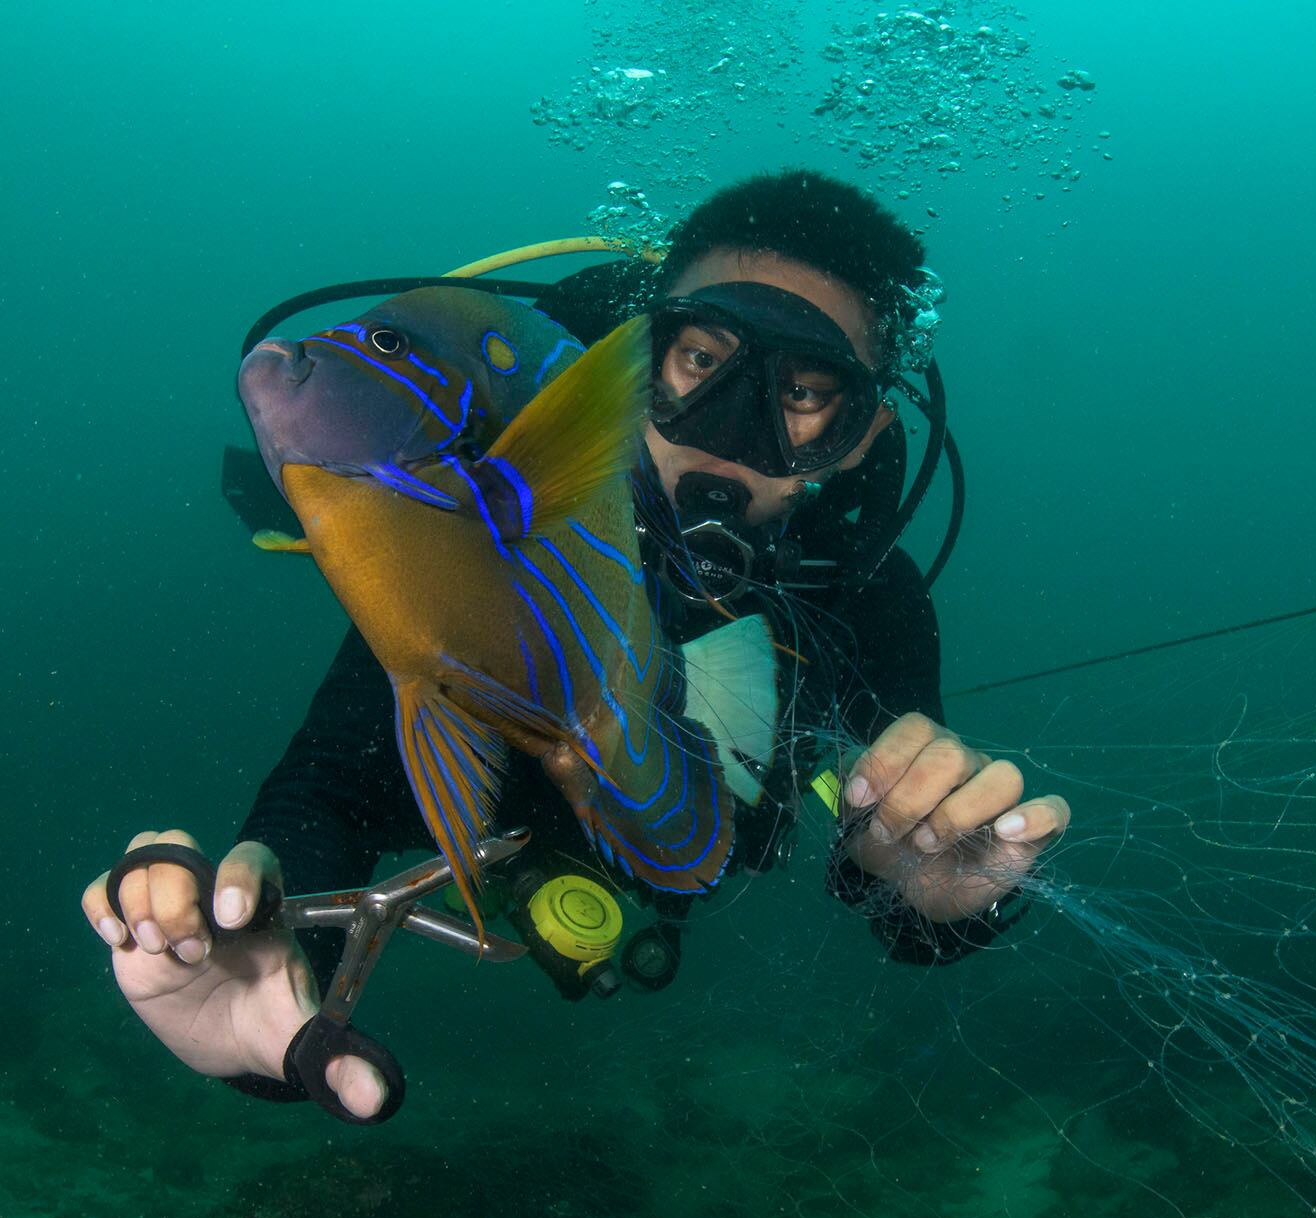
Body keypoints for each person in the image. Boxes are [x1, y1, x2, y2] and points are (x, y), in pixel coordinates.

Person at [80, 169, 1071, 1120]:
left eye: (803, 392)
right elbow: (331, 780)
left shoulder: (866, 598)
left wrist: (942, 896)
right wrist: (256, 931)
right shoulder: (490, 529)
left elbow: (898, 863)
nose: (730, 433)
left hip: (680, 835)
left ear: (858, 435)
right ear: (635, 357)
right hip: (509, 813)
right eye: (699, 362)